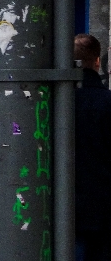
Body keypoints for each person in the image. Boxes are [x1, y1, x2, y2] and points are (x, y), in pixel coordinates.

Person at [75, 33, 111, 260]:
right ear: (97, 61)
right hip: (103, 203)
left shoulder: (54, 102)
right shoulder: (106, 102)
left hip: (61, 201)